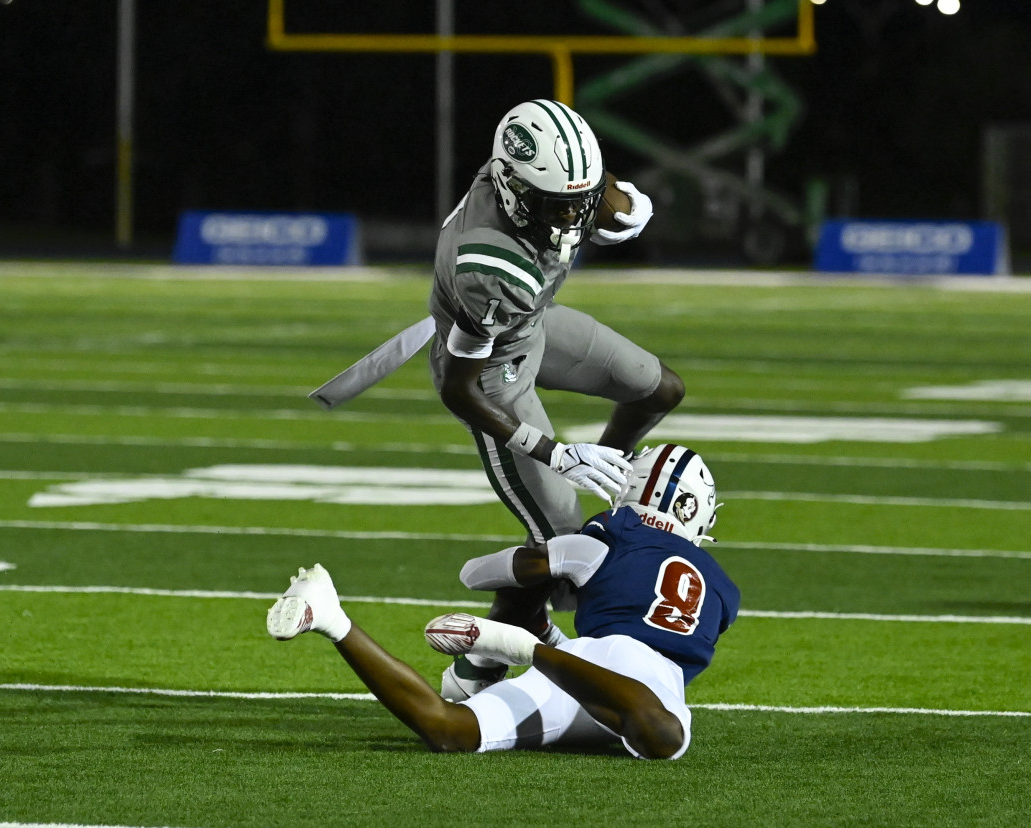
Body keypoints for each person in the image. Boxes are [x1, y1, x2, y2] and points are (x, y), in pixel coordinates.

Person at [427, 99, 686, 694]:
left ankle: (609, 488)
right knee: (560, 540)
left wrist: (619, 196)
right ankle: (477, 667)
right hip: (491, 369)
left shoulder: (551, 184)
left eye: (580, 201)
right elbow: (457, 388)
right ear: (514, 189)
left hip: (534, 323)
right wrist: (555, 452)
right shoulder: (489, 261)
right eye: (560, 207)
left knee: (659, 388)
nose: (573, 219)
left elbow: (598, 191)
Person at [266, 444, 740, 760]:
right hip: (637, 675)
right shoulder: (721, 588)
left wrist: (547, 560)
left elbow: (476, 574)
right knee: (662, 738)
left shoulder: (609, 540)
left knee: (446, 728)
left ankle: (336, 618)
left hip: (580, 661)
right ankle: (509, 649)